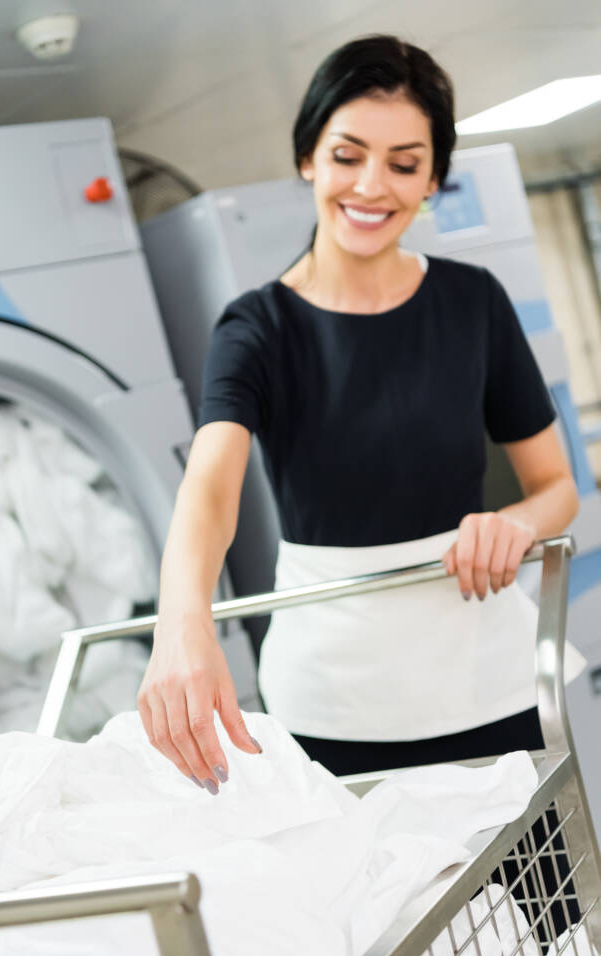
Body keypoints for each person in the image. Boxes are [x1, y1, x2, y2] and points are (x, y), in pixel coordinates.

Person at [137, 35, 581, 795]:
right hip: (334, 702)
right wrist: (183, 624)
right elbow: (209, 488)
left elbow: (556, 487)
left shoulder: (470, 303)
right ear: (308, 157)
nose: (371, 186)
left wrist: (515, 523)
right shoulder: (257, 327)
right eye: (347, 156)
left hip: (487, 676)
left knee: (538, 909)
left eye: (403, 164)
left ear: (432, 178)